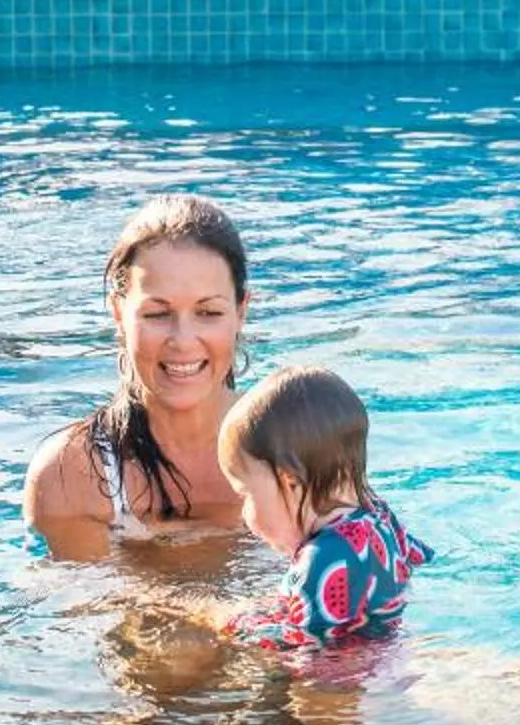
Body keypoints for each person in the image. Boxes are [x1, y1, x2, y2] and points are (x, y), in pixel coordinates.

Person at [23, 195, 252, 559]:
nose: (182, 340)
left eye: (208, 312)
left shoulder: (298, 448)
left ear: (241, 311)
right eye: (157, 315)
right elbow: (95, 610)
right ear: (118, 313)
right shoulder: (71, 476)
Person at [216, 367, 429, 655]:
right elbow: (418, 557)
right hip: (395, 650)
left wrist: (240, 628)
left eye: (245, 494)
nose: (244, 513)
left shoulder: (319, 561)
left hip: (362, 674)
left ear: (289, 480)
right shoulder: (376, 511)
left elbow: (307, 648)